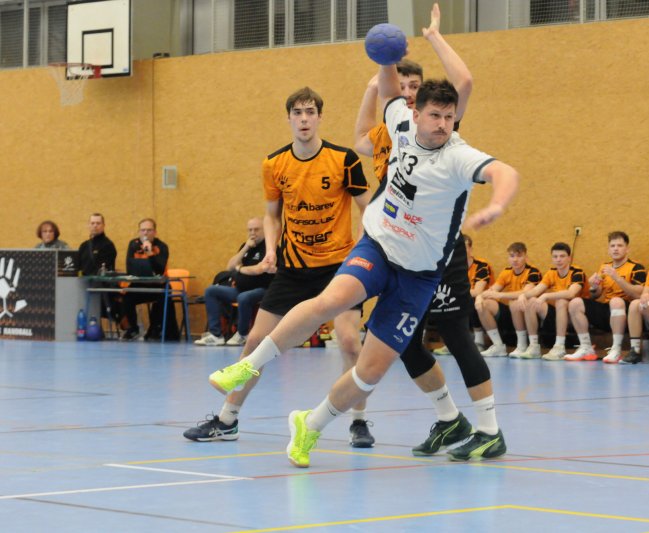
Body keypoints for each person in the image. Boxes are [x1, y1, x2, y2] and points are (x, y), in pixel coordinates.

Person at [207, 70, 519, 469]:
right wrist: (383, 67)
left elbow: (504, 171)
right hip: (378, 244)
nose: (442, 124)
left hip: (419, 273)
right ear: (416, 113)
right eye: (435, 115)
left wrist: (496, 205)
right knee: (331, 301)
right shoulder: (399, 123)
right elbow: (386, 95)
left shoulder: (457, 155)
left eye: (449, 117)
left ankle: (311, 423)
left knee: (371, 369)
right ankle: (246, 367)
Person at [351, 3, 506, 460]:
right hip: (397, 249)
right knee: (404, 342)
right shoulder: (392, 128)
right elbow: (364, 128)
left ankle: (490, 428)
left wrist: (435, 37)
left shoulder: (444, 134)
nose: (414, 98)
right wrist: (378, 72)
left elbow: (464, 84)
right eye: (406, 90)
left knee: (455, 334)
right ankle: (447, 420)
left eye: (420, 90)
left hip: (438, 250)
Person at [183, 87, 373, 447]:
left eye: (310, 112)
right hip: (294, 268)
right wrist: (271, 250)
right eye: (297, 112)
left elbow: (369, 206)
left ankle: (359, 421)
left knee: (349, 341)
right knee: (255, 341)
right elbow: (272, 215)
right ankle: (227, 419)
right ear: (288, 118)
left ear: (319, 117)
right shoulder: (274, 163)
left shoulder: (343, 159)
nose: (304, 118)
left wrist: (363, 249)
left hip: (339, 268)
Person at [566, 231, 646, 362]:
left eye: (620, 245)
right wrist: (593, 287)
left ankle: (616, 348)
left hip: (627, 313)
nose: (616, 249)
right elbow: (595, 296)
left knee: (616, 301)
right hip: (608, 309)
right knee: (575, 303)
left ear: (627, 249)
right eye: (612, 246)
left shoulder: (636, 267)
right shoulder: (604, 267)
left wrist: (617, 278)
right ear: (608, 249)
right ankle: (586, 346)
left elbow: (638, 294)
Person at [195, 217, 274, 347]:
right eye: (250, 230)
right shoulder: (246, 246)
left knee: (243, 297)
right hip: (240, 288)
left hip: (263, 289)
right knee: (211, 291)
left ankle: (242, 335)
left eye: (256, 229)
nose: (253, 233)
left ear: (264, 230)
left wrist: (240, 268)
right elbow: (230, 267)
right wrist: (246, 248)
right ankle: (216, 335)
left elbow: (259, 269)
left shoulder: (269, 247)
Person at [476, 242, 542, 358]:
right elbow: (493, 290)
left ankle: (522, 345)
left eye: (519, 256)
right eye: (512, 256)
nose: (515, 260)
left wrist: (501, 296)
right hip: (511, 312)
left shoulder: (533, 271)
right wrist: (479, 297)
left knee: (515, 302)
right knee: (484, 304)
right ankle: (498, 346)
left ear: (525, 257)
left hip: (528, 312)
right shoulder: (506, 272)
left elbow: (525, 293)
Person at [521, 242, 586, 360]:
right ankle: (534, 346)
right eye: (555, 257)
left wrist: (546, 296)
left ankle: (559, 347)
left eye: (562, 256)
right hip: (558, 314)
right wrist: (523, 295)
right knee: (531, 302)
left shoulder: (577, 272)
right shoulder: (551, 273)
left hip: (575, 315)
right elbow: (536, 290)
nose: (558, 260)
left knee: (561, 301)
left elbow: (571, 293)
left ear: (569, 258)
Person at [120, 218, 175, 341]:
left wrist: (150, 253)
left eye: (149, 230)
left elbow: (160, 269)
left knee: (162, 297)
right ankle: (132, 329)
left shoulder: (162, 247)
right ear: (139, 232)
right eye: (143, 230)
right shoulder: (133, 245)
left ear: (154, 232)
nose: (145, 233)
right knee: (126, 296)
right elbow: (130, 267)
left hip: (157, 285)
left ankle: (155, 329)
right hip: (139, 284)